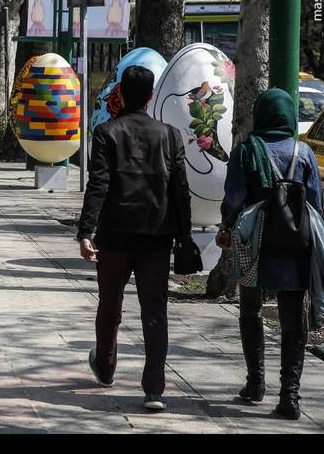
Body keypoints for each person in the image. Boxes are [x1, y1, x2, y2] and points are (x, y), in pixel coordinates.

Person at [76, 65, 192, 412]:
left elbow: (98, 184)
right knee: (154, 311)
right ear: (151, 96)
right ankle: (154, 388)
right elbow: (181, 192)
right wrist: (185, 237)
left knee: (109, 304)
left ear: (121, 94)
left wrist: (86, 232)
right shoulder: (171, 136)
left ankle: (106, 366)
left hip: (114, 236)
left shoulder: (107, 133)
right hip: (157, 237)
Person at [216, 88, 323, 420]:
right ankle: (290, 396)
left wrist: (226, 226)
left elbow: (233, 199)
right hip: (295, 248)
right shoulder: (304, 153)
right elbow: (316, 204)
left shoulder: (247, 150)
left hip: (255, 245)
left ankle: (255, 384)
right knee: (294, 321)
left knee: (250, 310)